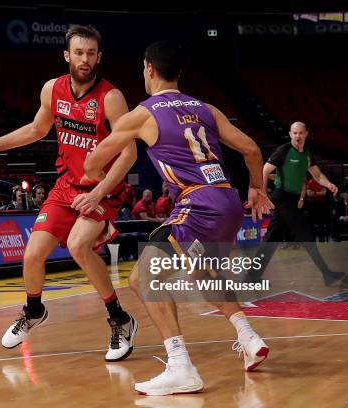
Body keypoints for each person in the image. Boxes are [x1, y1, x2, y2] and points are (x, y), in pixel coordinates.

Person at [82, 40, 274, 395]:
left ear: (148, 69)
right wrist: (256, 189)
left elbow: (93, 164)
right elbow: (250, 149)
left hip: (197, 203)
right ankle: (249, 338)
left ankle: (180, 365)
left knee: (142, 279)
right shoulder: (205, 108)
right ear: (178, 73)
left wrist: (98, 172)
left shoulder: (143, 113)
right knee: (202, 271)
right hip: (228, 202)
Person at [0, 25, 138, 361]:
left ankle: (121, 319)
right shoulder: (53, 89)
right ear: (67, 55)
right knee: (32, 255)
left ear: (99, 57)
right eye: (79, 52)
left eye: (91, 53)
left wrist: (99, 193)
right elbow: (36, 129)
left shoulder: (111, 97)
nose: (85, 59)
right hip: (66, 187)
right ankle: (33, 310)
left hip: (103, 189)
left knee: (78, 245)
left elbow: (129, 153)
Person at [248, 122, 344, 286]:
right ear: (290, 134)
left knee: (272, 238)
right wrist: (263, 193)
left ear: (306, 133)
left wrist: (328, 184)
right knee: (306, 234)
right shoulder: (283, 151)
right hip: (282, 197)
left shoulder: (307, 153)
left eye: (300, 133)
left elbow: (317, 174)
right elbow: (265, 170)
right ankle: (327, 274)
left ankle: (252, 276)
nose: (297, 136)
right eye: (294, 133)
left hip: (291, 199)